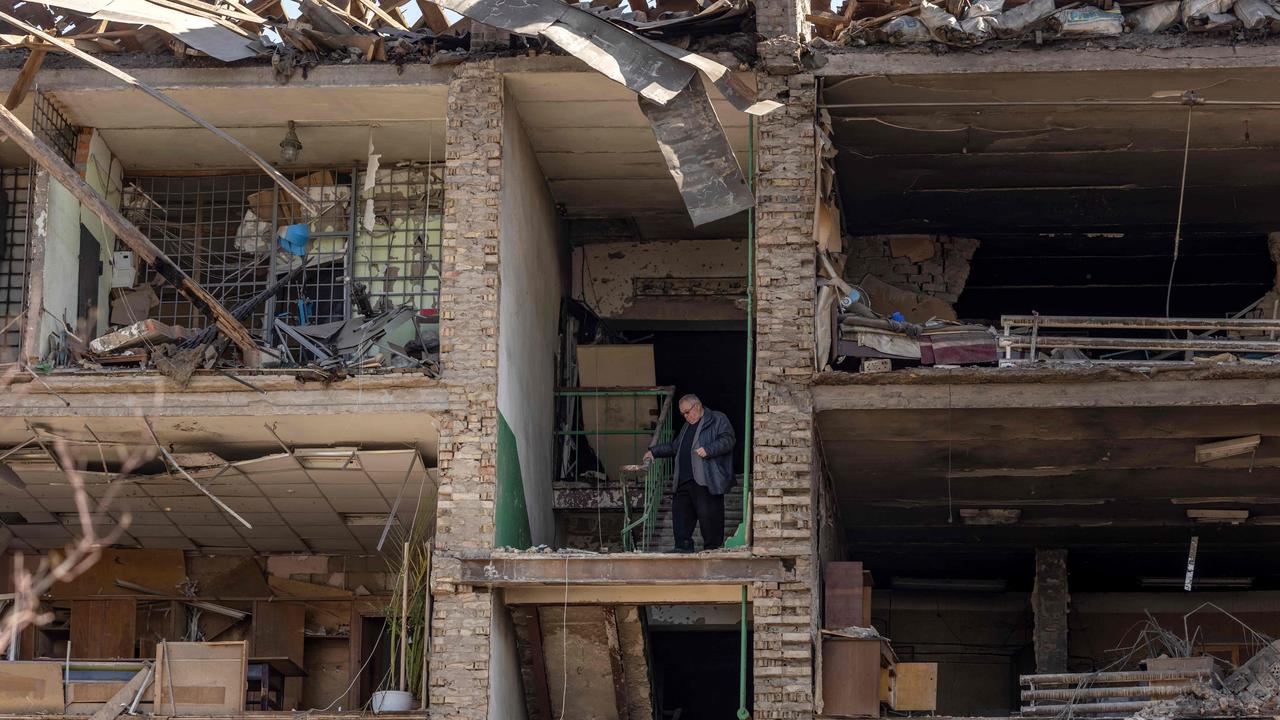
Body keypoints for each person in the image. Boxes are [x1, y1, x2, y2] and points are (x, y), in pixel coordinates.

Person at [643, 394, 736, 553]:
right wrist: (654, 452)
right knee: (680, 515)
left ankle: (712, 549)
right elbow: (675, 447)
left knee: (709, 516)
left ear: (697, 406)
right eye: (683, 414)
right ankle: (682, 547)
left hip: (706, 478)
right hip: (684, 480)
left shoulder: (717, 418)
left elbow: (728, 439)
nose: (685, 417)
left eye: (687, 412)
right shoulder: (687, 427)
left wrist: (709, 449)